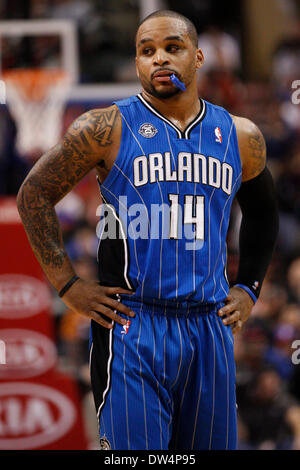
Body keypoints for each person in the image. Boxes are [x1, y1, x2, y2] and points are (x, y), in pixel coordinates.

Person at [16, 10, 278, 450]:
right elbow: (33, 196)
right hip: (133, 326)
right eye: (146, 51)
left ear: (197, 58)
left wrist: (249, 287)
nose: (159, 59)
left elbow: (265, 214)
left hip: (208, 326)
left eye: (172, 48)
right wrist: (67, 285)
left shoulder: (240, 135)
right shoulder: (104, 128)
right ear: (137, 62)